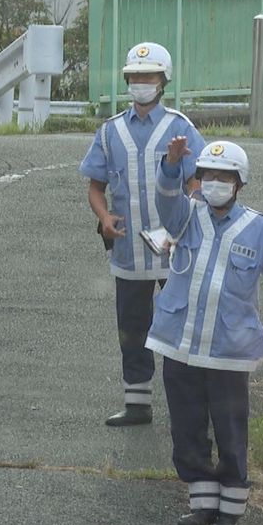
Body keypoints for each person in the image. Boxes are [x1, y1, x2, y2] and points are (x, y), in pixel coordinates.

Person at [149, 137, 263, 525]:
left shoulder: (259, 228)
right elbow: (166, 199)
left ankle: (229, 515)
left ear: (239, 183)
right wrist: (172, 165)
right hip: (180, 345)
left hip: (229, 352)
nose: (214, 184)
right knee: (186, 428)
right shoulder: (186, 216)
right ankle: (202, 505)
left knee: (230, 432)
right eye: (208, 176)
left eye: (224, 178)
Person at [79, 42, 208, 427]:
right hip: (128, 253)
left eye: (148, 76)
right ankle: (137, 404)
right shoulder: (110, 131)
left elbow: (198, 182)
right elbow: (95, 186)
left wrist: (186, 224)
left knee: (179, 326)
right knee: (132, 328)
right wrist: (103, 218)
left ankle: (189, 406)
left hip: (174, 251)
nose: (140, 83)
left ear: (163, 81)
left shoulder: (181, 128)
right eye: (134, 77)